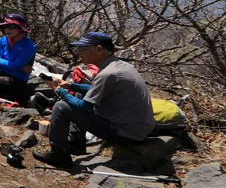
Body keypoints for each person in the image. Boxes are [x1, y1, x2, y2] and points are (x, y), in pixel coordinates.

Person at [33, 32, 155, 167]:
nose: (79, 52)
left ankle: (59, 155)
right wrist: (71, 85)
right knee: (79, 95)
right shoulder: (119, 66)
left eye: (82, 49)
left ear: (99, 49)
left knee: (61, 107)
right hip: (138, 127)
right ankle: (76, 143)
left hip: (126, 133)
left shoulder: (108, 74)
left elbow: (83, 107)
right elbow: (95, 89)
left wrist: (59, 90)